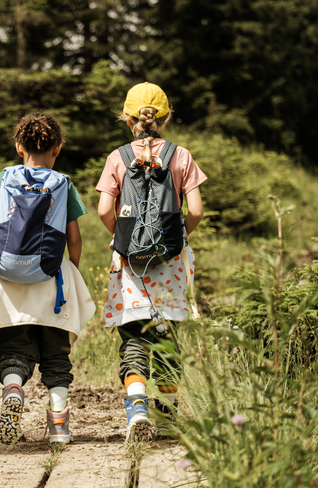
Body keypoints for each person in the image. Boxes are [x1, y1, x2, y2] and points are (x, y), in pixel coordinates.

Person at [0, 113, 96, 444]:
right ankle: (58, 425)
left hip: (9, 279)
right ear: (57, 149)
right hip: (51, 276)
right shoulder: (63, 183)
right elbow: (74, 237)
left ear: (18, 147)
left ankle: (13, 391)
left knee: (14, 347)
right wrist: (73, 269)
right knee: (56, 354)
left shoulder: (2, 179)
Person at [95, 82, 207, 440]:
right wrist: (180, 236)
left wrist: (123, 239)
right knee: (167, 336)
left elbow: (102, 210)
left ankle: (137, 407)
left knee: (133, 335)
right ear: (166, 116)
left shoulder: (117, 157)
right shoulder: (181, 155)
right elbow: (197, 210)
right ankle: (169, 416)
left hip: (131, 265)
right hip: (170, 263)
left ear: (127, 118)